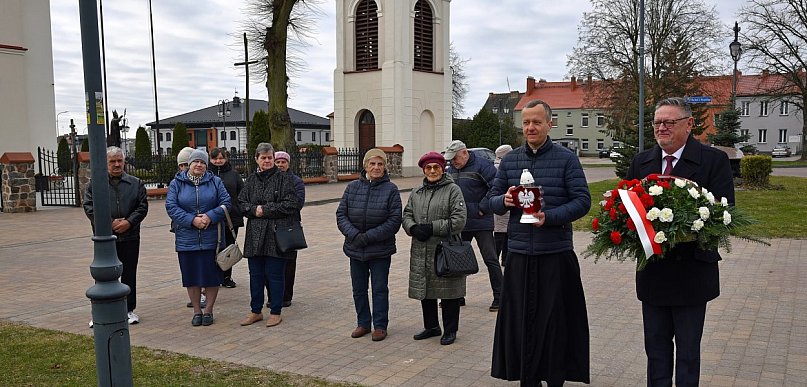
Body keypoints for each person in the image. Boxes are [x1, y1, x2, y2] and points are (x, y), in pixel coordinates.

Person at [627, 97, 734, 387]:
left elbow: (726, 213)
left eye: (668, 122)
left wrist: (681, 228)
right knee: (656, 352)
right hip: (654, 273)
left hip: (692, 273)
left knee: (688, 354)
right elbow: (628, 212)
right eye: (657, 122)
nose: (661, 128)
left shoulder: (714, 161)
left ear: (689, 125)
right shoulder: (641, 161)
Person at [489, 99, 591, 386]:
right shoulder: (510, 161)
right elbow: (491, 201)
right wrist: (504, 200)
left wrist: (551, 216)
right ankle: (527, 378)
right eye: (526, 123)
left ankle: (556, 377)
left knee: (555, 324)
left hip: (555, 254)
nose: (531, 127)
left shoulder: (566, 159)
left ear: (549, 124)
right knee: (522, 324)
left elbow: (583, 201)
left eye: (536, 122)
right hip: (519, 254)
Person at [336, 148, 402, 342]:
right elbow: (341, 215)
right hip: (355, 247)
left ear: (385, 167)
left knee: (379, 288)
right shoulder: (352, 187)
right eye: (372, 163)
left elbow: (394, 220)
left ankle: (380, 325)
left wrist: (369, 237)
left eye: (380, 164)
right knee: (359, 288)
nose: (376, 167)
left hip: (380, 249)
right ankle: (363, 323)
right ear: (365, 165)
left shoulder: (391, 190)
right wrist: (355, 235)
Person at [403, 151, 467, 346]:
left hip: (445, 248)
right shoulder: (416, 192)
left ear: (442, 168)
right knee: (426, 288)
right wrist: (412, 227)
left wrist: (432, 227)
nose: (432, 171)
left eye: (436, 167)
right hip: (422, 248)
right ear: (424, 170)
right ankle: (431, 326)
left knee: (449, 290)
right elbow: (407, 214)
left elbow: (459, 220)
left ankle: (450, 329)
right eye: (428, 168)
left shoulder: (453, 190)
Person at [83, 146, 149, 327]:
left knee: (129, 273)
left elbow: (142, 206)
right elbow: (89, 207)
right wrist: (109, 223)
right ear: (105, 163)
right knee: (103, 272)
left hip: (130, 236)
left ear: (124, 161)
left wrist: (129, 222)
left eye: (120, 160)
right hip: (105, 238)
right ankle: (101, 310)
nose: (117, 164)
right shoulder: (95, 184)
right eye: (112, 161)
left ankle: (128, 310)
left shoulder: (135, 183)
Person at [238, 143, 301, 328]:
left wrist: (264, 210)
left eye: (270, 158)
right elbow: (241, 202)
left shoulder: (284, 179)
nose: (267, 161)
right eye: (263, 158)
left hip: (276, 234)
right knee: (255, 275)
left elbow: (291, 204)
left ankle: (275, 311)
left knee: (275, 275)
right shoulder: (251, 180)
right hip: (255, 236)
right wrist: (252, 209)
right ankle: (255, 311)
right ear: (256, 159)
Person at [166, 149, 231, 326]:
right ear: (189, 164)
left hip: (212, 238)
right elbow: (171, 206)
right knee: (191, 276)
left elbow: (226, 203)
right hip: (187, 239)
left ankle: (208, 310)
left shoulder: (215, 182)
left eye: (202, 162)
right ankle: (196, 310)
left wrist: (210, 216)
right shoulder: (177, 183)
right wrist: (192, 220)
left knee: (212, 276)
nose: (199, 165)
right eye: (196, 162)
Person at [443, 140, 503, 311]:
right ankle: (457, 296)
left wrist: (483, 207)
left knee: (490, 259)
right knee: (457, 260)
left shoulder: (483, 166)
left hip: (481, 221)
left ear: (464, 153)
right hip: (460, 222)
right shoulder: (451, 169)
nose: (453, 162)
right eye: (450, 159)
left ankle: (500, 297)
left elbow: (496, 187)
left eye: (455, 158)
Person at [267, 150, 305, 308]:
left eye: (283, 162)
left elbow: (297, 204)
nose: (280, 165)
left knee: (288, 264)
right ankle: (272, 296)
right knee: (270, 263)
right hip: (270, 227)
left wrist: (274, 208)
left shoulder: (296, 181)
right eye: (278, 162)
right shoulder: (269, 180)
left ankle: (286, 296)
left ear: (288, 164)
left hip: (289, 227)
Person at [209, 147, 244, 289]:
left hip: (231, 217)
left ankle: (227, 276)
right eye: (215, 158)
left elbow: (242, 193)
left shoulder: (234, 175)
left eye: (221, 158)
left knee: (228, 248)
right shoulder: (207, 174)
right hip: (212, 218)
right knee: (213, 248)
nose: (218, 161)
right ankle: (213, 276)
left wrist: (239, 208)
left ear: (226, 159)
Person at [493, 144, 513, 267]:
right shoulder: (502, 167)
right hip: (504, 204)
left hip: (502, 205)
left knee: (501, 234)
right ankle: (501, 260)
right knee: (502, 236)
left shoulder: (496, 165)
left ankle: (501, 259)